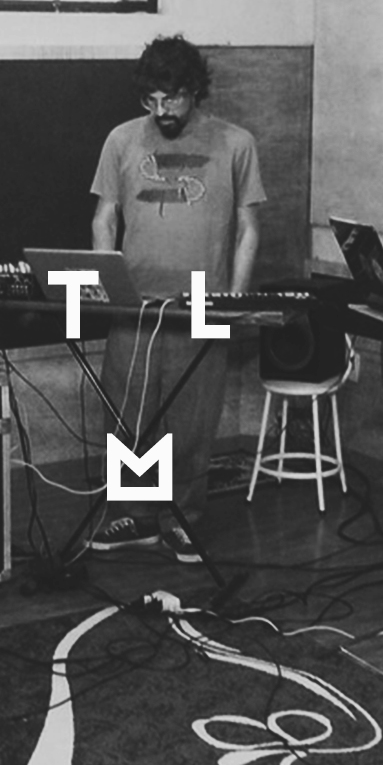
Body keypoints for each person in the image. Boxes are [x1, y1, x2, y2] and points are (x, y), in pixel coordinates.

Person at [86, 35, 265, 562]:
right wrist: (104, 283)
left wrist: (234, 301)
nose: (162, 110)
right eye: (152, 100)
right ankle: (138, 516)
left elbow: (249, 228)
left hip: (204, 301)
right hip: (134, 301)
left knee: (193, 416)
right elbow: (104, 217)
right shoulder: (121, 140)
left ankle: (184, 516)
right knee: (129, 413)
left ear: (195, 91)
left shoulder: (236, 143)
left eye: (173, 98)